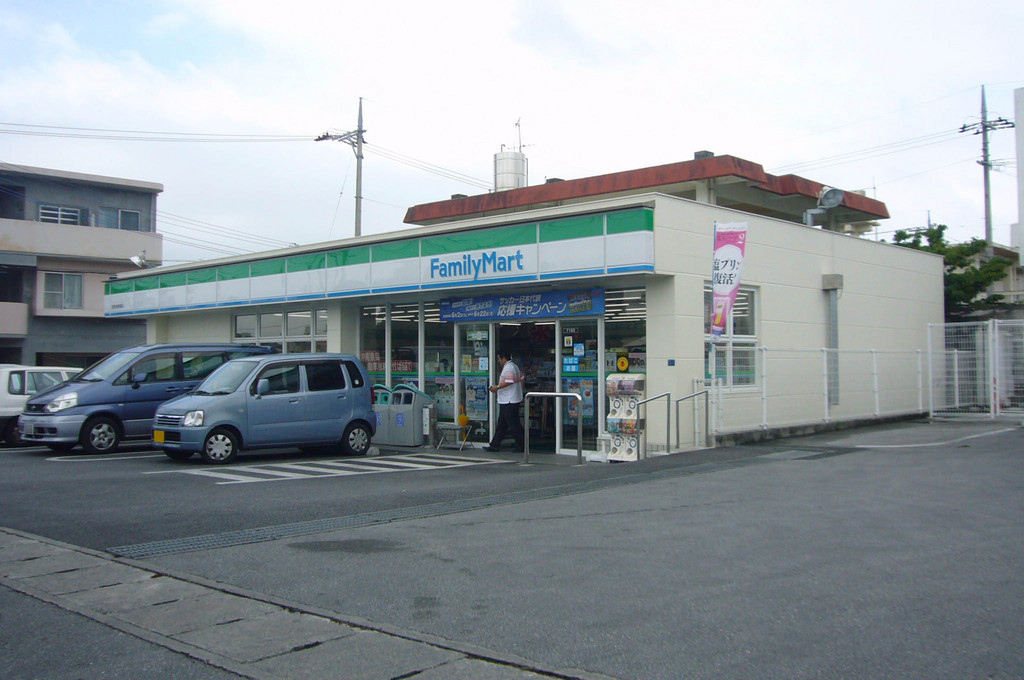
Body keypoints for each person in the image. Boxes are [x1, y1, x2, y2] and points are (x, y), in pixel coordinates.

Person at [485, 350, 524, 452]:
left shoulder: (509, 368)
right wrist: (519, 391)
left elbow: (509, 381)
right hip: (510, 400)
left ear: (503, 358)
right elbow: (522, 378)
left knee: (513, 424)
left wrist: (497, 387)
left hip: (509, 400)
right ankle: (494, 444)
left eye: (499, 359)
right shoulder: (514, 366)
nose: (498, 361)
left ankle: (522, 445)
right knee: (502, 424)